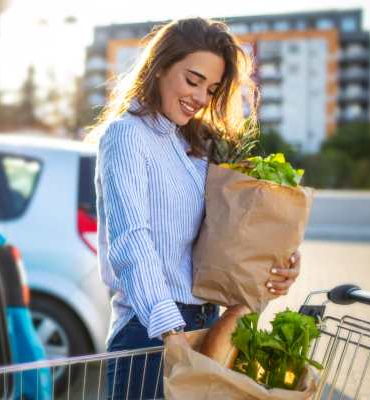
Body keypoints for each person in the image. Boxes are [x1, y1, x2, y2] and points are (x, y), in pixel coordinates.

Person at [89, 17, 301, 399]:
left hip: (206, 322)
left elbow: (224, 235)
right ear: (159, 68)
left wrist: (276, 265)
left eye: (212, 88)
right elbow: (131, 241)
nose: (202, 98)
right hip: (152, 333)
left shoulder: (193, 147)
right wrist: (173, 333)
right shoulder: (126, 136)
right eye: (193, 80)